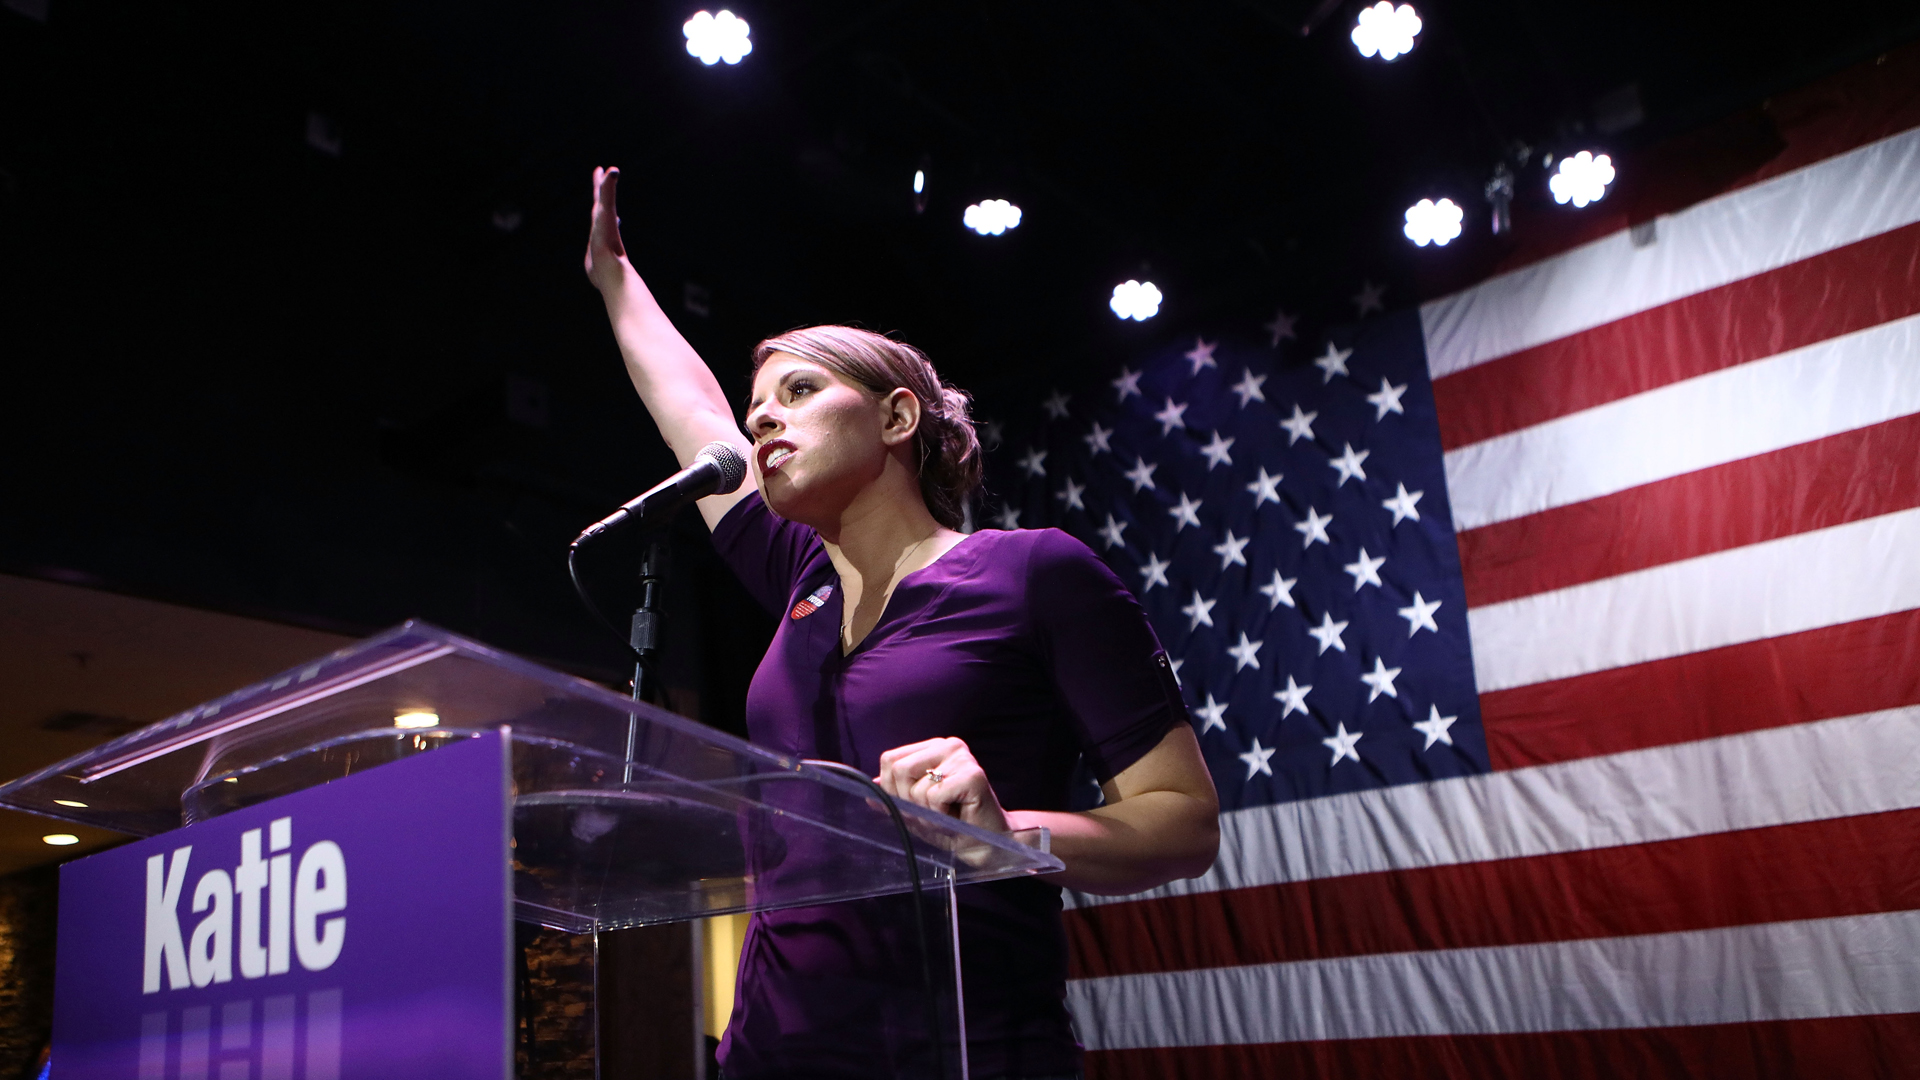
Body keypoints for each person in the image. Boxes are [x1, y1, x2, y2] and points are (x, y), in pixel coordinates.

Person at [584, 166, 1220, 1080]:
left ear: (896, 416)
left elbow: (1186, 825)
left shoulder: (1032, 573)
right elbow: (692, 412)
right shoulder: (799, 577)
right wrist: (615, 278)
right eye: (760, 406)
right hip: (770, 1056)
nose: (763, 419)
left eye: (800, 392)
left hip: (965, 1050)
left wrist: (1006, 832)